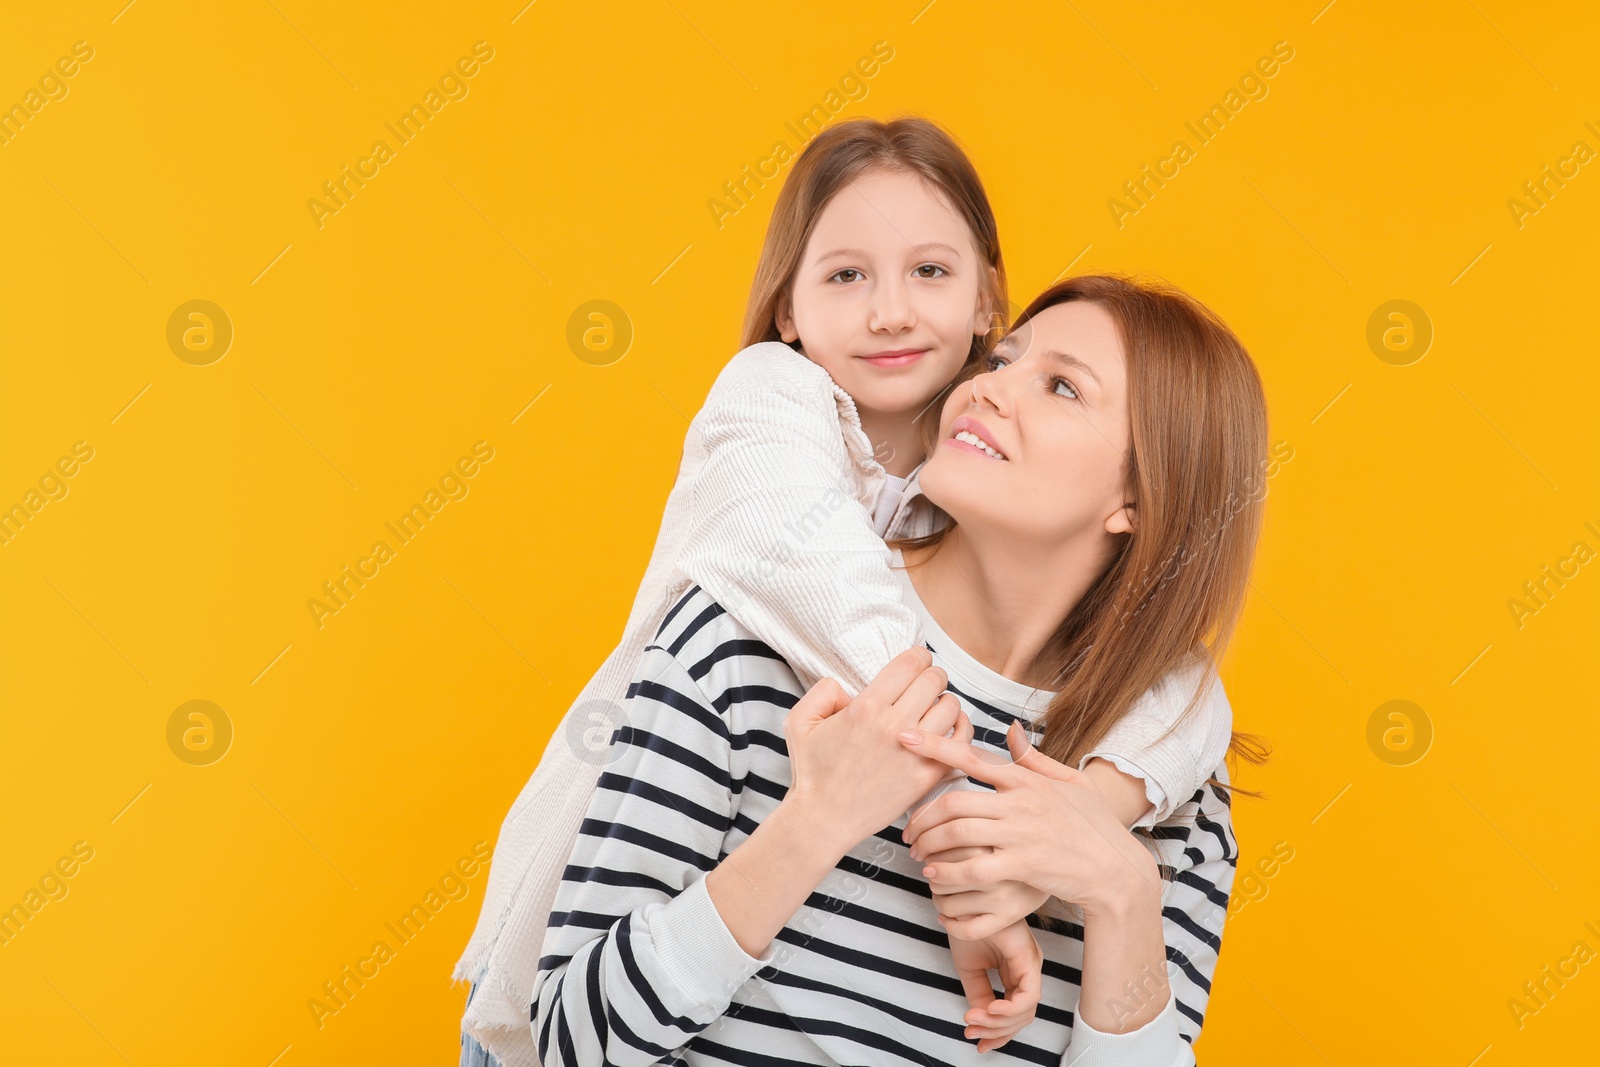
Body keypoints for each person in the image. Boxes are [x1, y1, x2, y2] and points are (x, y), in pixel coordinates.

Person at [457, 115, 1236, 1065]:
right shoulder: (754, 618)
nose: (990, 387)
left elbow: (1189, 693)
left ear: (1138, 495)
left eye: (1062, 387)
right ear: (790, 308)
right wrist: (828, 820)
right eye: (1006, 364)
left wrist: (1119, 891)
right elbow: (571, 1047)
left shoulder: (1164, 774)